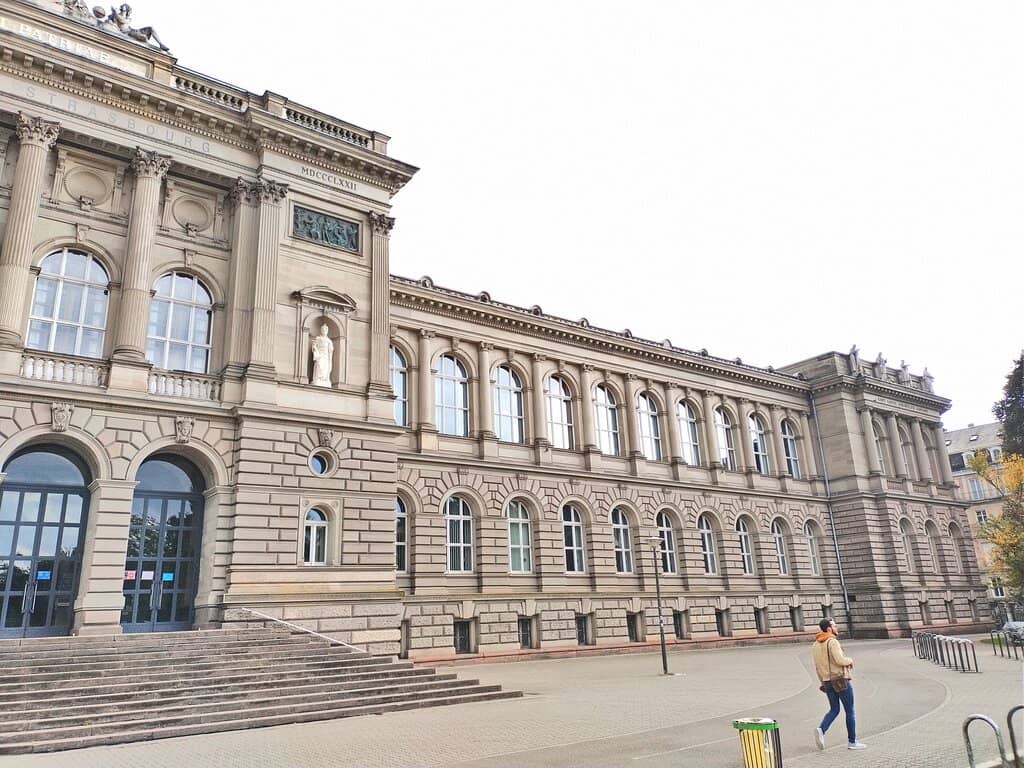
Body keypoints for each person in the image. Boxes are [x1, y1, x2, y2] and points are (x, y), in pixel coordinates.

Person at [812, 617, 866, 750]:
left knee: (834, 709)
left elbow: (817, 666)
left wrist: (823, 682)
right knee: (850, 710)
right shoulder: (832, 642)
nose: (837, 628)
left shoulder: (815, 645)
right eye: (835, 626)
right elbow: (840, 660)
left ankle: (821, 729)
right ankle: (852, 742)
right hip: (840, 679)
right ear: (829, 628)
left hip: (826, 680)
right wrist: (850, 660)